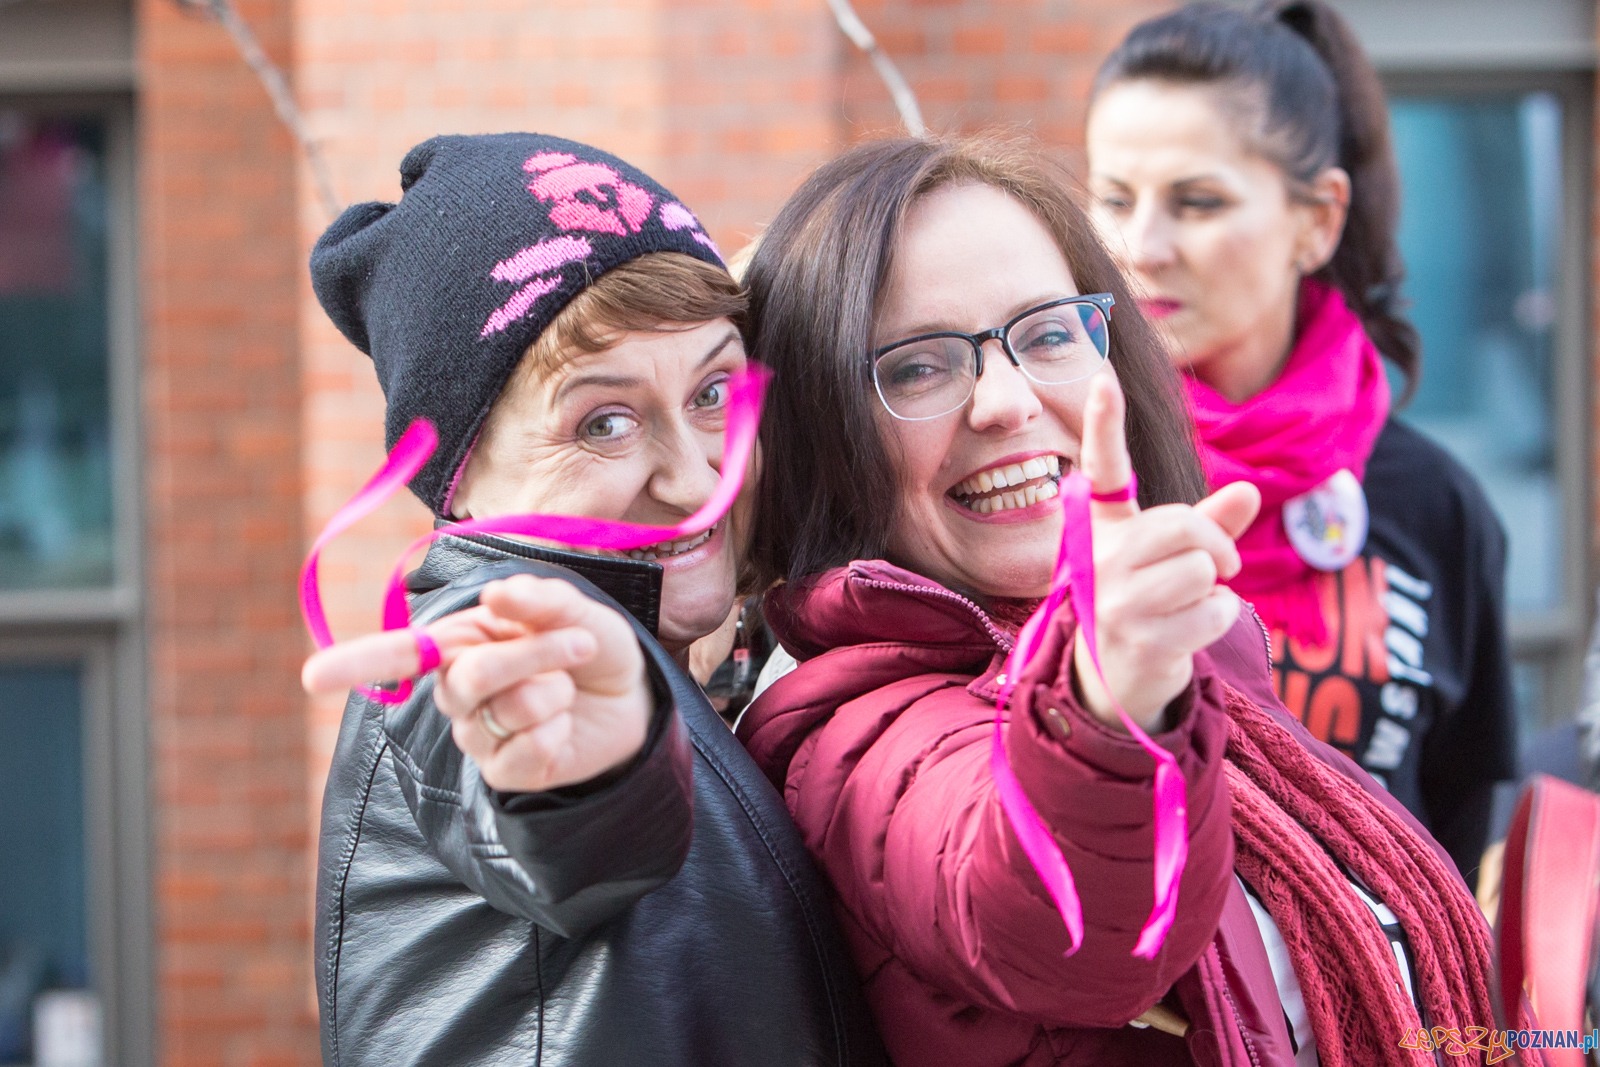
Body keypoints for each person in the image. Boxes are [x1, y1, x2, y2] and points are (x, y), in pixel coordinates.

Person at [736, 136, 1506, 1067]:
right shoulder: (852, 733)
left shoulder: (1198, 653)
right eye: (916, 367)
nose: (1006, 402)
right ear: (819, 435)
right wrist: (1106, 707)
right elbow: (1055, 915)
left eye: (1049, 332)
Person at [301, 133, 883, 1067]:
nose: (697, 480)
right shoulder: (483, 650)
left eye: (713, 393)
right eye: (602, 422)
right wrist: (594, 770)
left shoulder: (730, 651)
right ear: (465, 486)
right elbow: (550, 803)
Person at [1083, 0, 1515, 882]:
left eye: (1197, 201)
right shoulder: (1061, 475)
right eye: (1115, 198)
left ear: (1318, 219)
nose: (1143, 244)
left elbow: (1465, 811)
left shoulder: (1433, 504)